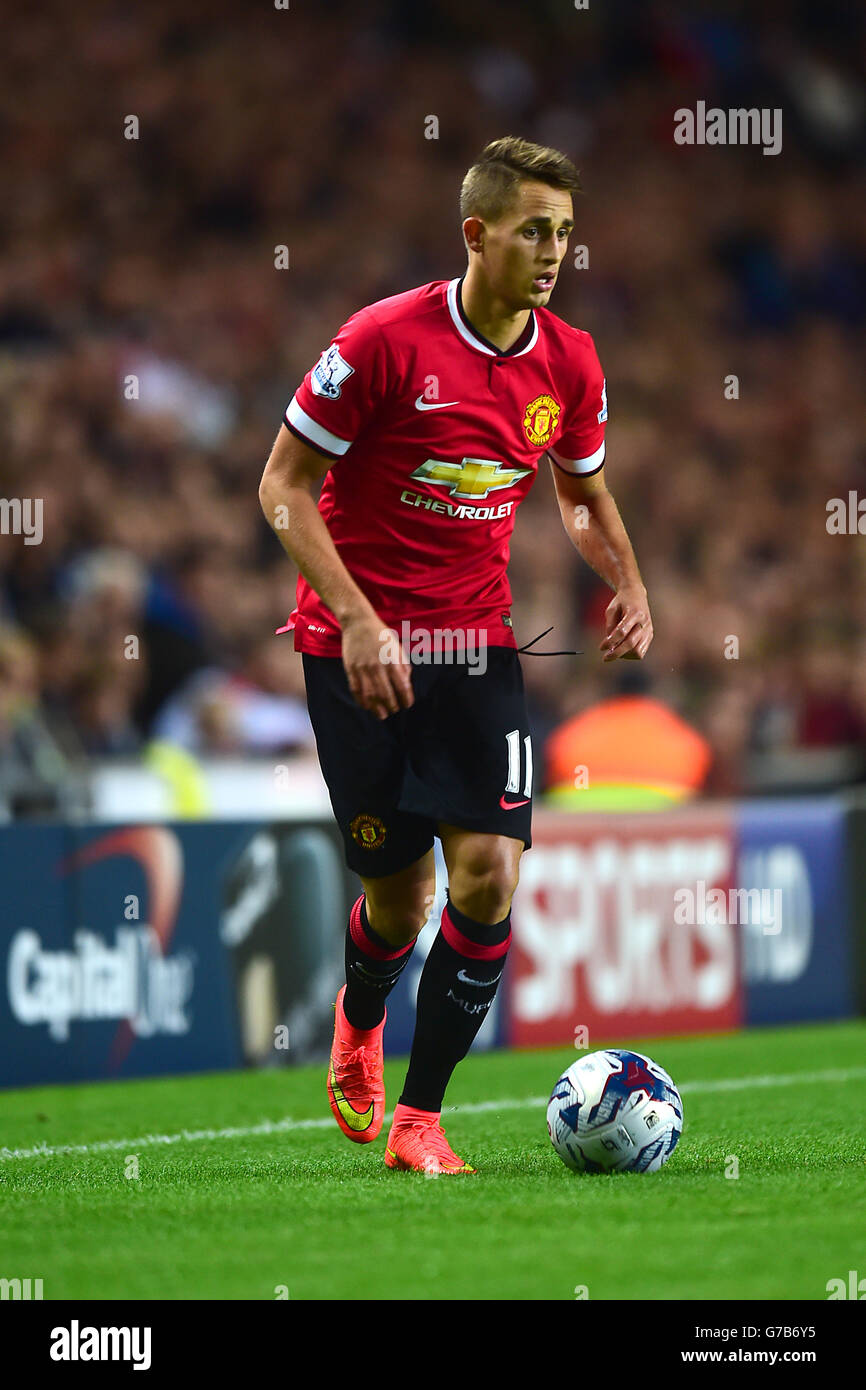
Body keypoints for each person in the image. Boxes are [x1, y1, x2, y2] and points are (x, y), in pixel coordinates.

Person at [258, 137, 653, 1174]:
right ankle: (357, 1018)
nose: (553, 249)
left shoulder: (567, 359)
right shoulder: (382, 340)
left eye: (564, 232)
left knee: (484, 873)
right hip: (352, 649)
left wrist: (627, 580)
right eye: (533, 229)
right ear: (476, 234)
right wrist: (353, 618)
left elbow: (579, 492)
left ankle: (420, 1119)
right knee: (399, 899)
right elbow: (283, 487)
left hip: (476, 647)